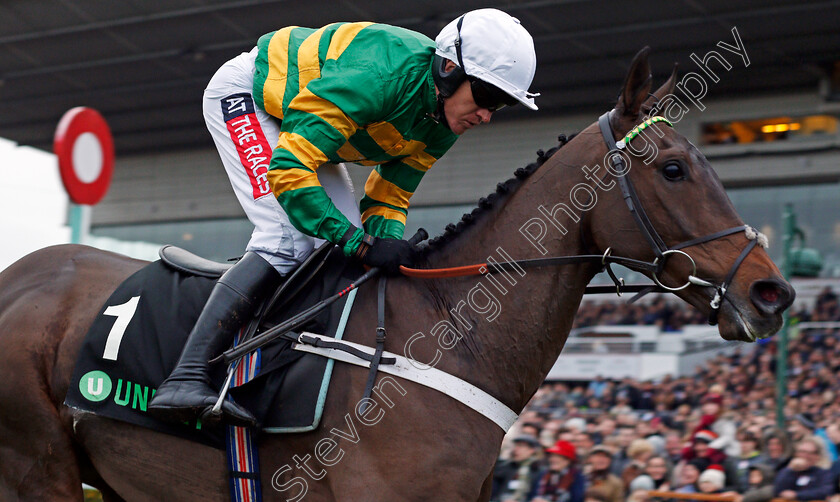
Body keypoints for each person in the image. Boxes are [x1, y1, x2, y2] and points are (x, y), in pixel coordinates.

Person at [148, 8, 539, 426]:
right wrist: (359, 241)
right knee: (286, 240)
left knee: (342, 257)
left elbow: (391, 192)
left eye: (501, 104)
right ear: (448, 69)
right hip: (251, 96)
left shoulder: (444, 120)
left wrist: (385, 244)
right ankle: (186, 375)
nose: (487, 115)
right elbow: (288, 168)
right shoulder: (379, 77)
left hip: (305, 126)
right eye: (486, 97)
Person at [773, 437, 834, 501]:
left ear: (817, 456)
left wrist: (797, 495)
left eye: (810, 453)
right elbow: (778, 490)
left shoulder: (823, 473)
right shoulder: (789, 470)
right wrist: (789, 469)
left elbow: (825, 492)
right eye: (802, 451)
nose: (805, 455)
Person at [492, 435, 544, 502]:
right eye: (515, 445)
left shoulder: (537, 470)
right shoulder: (504, 467)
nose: (516, 449)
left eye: (521, 446)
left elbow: (536, 495)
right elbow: (493, 492)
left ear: (532, 450)